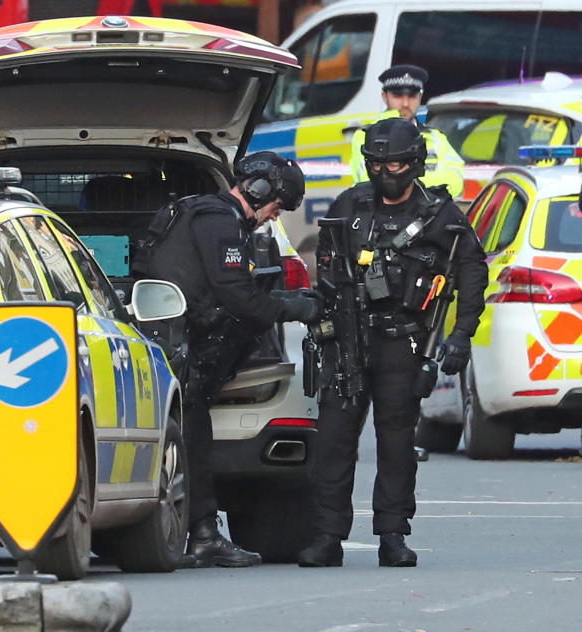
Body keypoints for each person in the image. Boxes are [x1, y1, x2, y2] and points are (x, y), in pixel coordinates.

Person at [298, 118, 487, 568]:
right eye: (377, 163)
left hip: (402, 344)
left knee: (397, 442)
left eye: (397, 163)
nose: (387, 172)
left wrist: (461, 334)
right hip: (347, 340)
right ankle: (327, 536)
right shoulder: (350, 204)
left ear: (415, 163)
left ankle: (392, 535)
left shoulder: (441, 215)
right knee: (335, 440)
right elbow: (326, 266)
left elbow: (472, 271)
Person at [138, 151, 323, 568]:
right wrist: (296, 307)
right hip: (180, 349)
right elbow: (238, 296)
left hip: (171, 343)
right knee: (193, 435)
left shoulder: (198, 213)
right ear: (259, 191)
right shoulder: (220, 222)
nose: (274, 218)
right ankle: (202, 534)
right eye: (277, 207)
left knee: (191, 432)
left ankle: (198, 532)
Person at [349, 64, 465, 199]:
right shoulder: (364, 136)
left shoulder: (435, 137)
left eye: (412, 96)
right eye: (398, 95)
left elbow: (455, 182)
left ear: (420, 97)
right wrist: (425, 184)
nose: (405, 103)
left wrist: (402, 184)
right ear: (385, 97)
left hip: (427, 216)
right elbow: (368, 182)